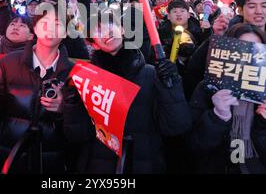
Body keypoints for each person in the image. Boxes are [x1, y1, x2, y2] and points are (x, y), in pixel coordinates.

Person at [61, 9, 192, 173]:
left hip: (145, 164)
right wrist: (71, 102)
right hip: (98, 167)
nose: (106, 31)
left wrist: (171, 85)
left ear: (122, 29)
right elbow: (77, 135)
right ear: (93, 43)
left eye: (110, 24)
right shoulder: (86, 79)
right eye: (97, 29)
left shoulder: (151, 74)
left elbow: (176, 126)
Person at [187, 23, 266, 174]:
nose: (248, 55)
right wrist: (217, 117)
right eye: (241, 47)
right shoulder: (208, 89)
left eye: (255, 48)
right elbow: (193, 147)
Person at [0, 3, 74, 173]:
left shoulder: (73, 73)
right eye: (45, 22)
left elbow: (79, 130)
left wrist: (65, 109)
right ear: (35, 26)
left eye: (58, 24)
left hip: (51, 161)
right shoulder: (8, 62)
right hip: (9, 155)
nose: (50, 29)